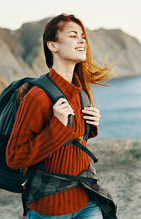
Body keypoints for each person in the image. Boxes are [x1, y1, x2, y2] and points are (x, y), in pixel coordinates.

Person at [6, 13, 114, 218]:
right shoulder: (37, 96)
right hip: (50, 209)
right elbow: (14, 157)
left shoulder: (81, 91)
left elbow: (71, 145)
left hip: (86, 200)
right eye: (73, 35)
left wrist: (90, 127)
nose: (82, 40)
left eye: (82, 36)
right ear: (52, 46)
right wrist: (57, 126)